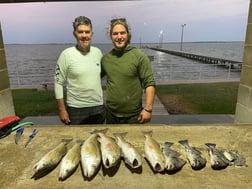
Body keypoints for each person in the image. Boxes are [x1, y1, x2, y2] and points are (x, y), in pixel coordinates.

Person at [101, 18, 156, 124]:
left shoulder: (139, 56)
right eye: (115, 34)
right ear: (111, 36)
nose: (119, 37)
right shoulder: (106, 59)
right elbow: (93, 78)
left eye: (122, 33)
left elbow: (149, 83)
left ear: (128, 34)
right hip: (110, 115)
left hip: (134, 116)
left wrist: (148, 109)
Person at [54, 16, 105, 125]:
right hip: (76, 108)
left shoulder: (98, 53)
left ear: (92, 34)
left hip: (98, 107)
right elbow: (58, 83)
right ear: (74, 34)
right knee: (78, 141)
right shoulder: (66, 55)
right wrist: (62, 110)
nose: (84, 36)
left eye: (87, 32)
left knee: (99, 140)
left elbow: (98, 75)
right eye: (80, 32)